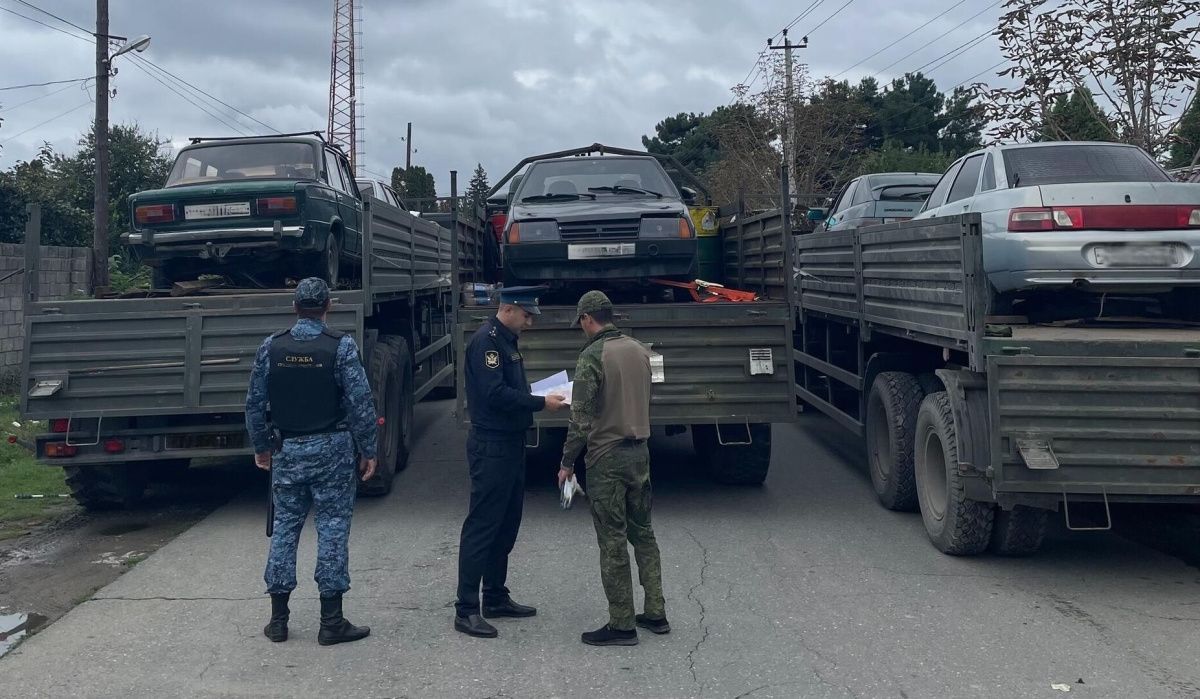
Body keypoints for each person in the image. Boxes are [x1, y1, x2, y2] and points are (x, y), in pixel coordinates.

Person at [245, 277, 379, 646]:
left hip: (287, 452)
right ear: (327, 307)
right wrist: (369, 449)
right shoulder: (340, 347)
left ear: (294, 307)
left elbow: (255, 405)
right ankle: (331, 622)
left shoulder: (270, 348)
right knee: (333, 529)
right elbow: (360, 404)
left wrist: (261, 447)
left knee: (285, 530)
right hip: (332, 451)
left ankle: (278, 621)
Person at [455, 286, 567, 638]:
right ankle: (466, 608)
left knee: (506, 523)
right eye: (527, 314)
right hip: (492, 444)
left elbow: (508, 386)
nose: (530, 321)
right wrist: (539, 404)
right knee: (484, 525)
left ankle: (496, 596)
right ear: (508, 309)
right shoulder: (487, 342)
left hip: (511, 441)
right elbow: (493, 393)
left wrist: (534, 395)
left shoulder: (506, 339)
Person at [558, 290, 668, 647]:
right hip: (641, 452)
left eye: (581, 323)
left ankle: (621, 624)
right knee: (645, 533)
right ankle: (656, 612)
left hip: (607, 457)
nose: (581, 329)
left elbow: (580, 418)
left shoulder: (592, 355)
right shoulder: (641, 350)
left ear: (588, 319)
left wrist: (567, 463)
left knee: (613, 540)